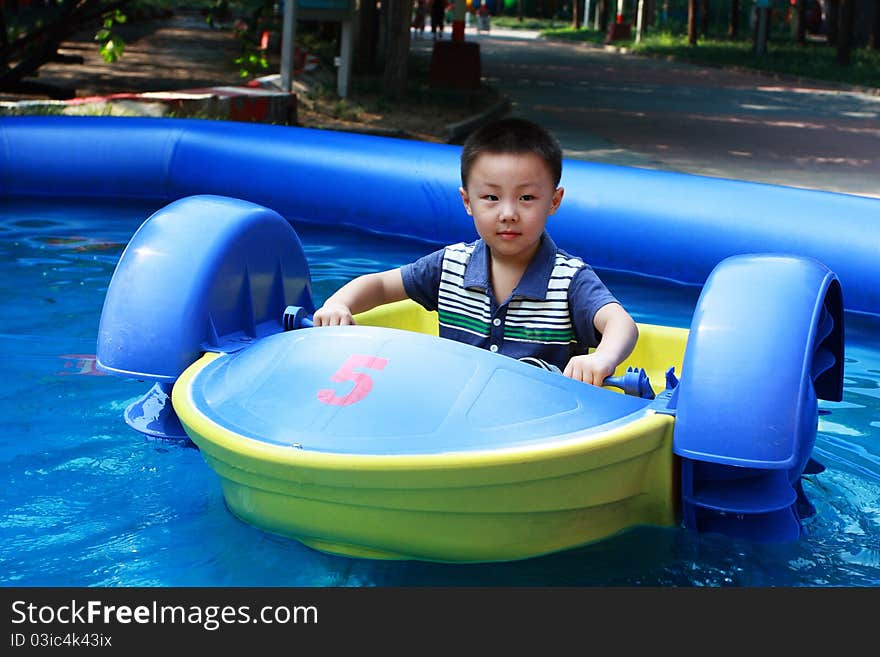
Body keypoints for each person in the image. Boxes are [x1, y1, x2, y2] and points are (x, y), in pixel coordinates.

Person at [313, 118, 639, 387]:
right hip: (456, 417)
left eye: (526, 198)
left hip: (541, 425)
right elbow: (382, 286)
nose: (508, 213)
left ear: (554, 201)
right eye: (491, 198)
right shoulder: (450, 265)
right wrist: (338, 304)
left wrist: (600, 359)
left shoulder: (568, 280)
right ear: (467, 201)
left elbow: (621, 324)